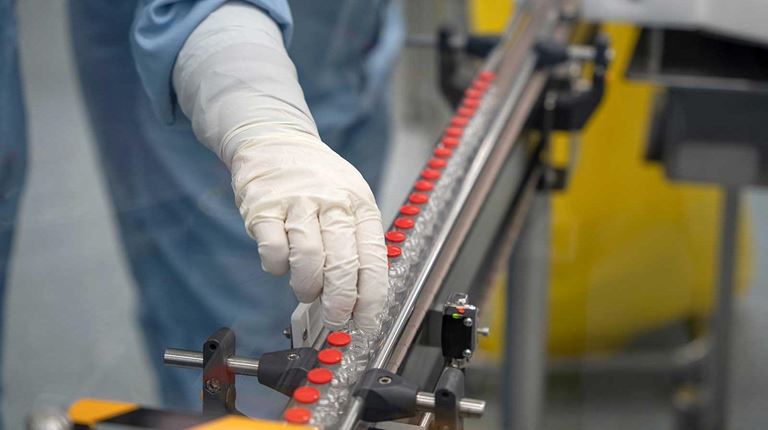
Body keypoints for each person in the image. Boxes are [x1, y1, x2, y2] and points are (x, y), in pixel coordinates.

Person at [1, 0, 403, 419]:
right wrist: (264, 122)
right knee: (240, 346)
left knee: (330, 274)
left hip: (346, 36)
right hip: (206, 70)